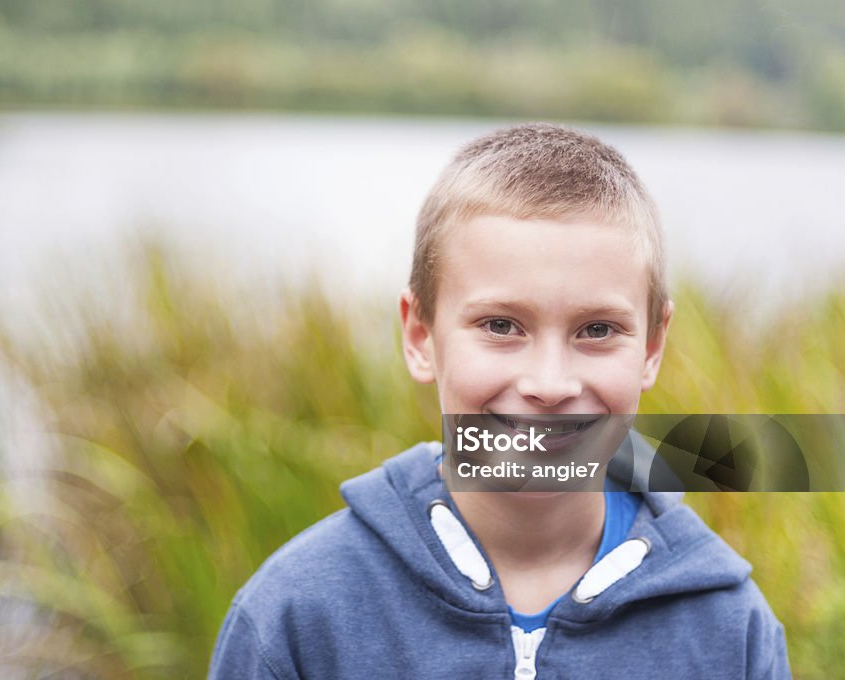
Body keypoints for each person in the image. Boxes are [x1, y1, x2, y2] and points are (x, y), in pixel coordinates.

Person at [208, 123, 790, 679]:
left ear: (653, 347)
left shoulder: (730, 629)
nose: (551, 384)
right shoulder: (298, 615)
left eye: (597, 330)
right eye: (501, 325)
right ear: (420, 338)